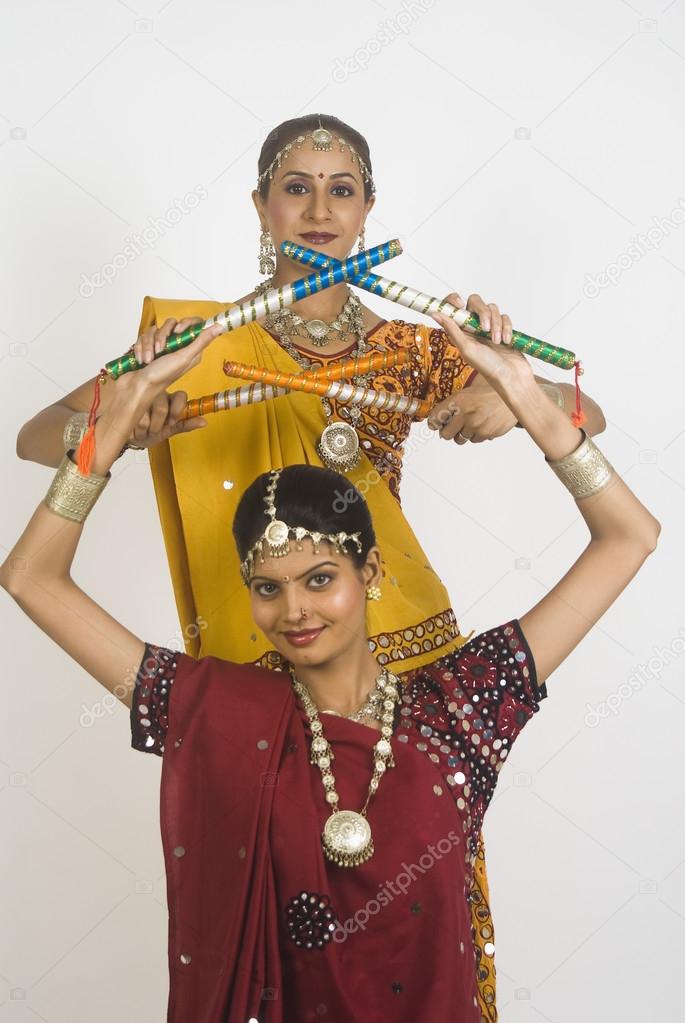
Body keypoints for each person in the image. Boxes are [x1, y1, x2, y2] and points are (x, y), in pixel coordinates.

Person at [12, 113, 607, 1017]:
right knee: (276, 906)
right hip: (264, 670)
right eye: (297, 186)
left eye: (342, 188)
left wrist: (511, 402)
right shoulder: (192, 346)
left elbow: (581, 406)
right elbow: (34, 437)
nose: (319, 208)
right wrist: (124, 424)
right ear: (261, 206)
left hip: (405, 668)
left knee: (425, 901)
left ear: (369, 210)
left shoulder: (410, 346)